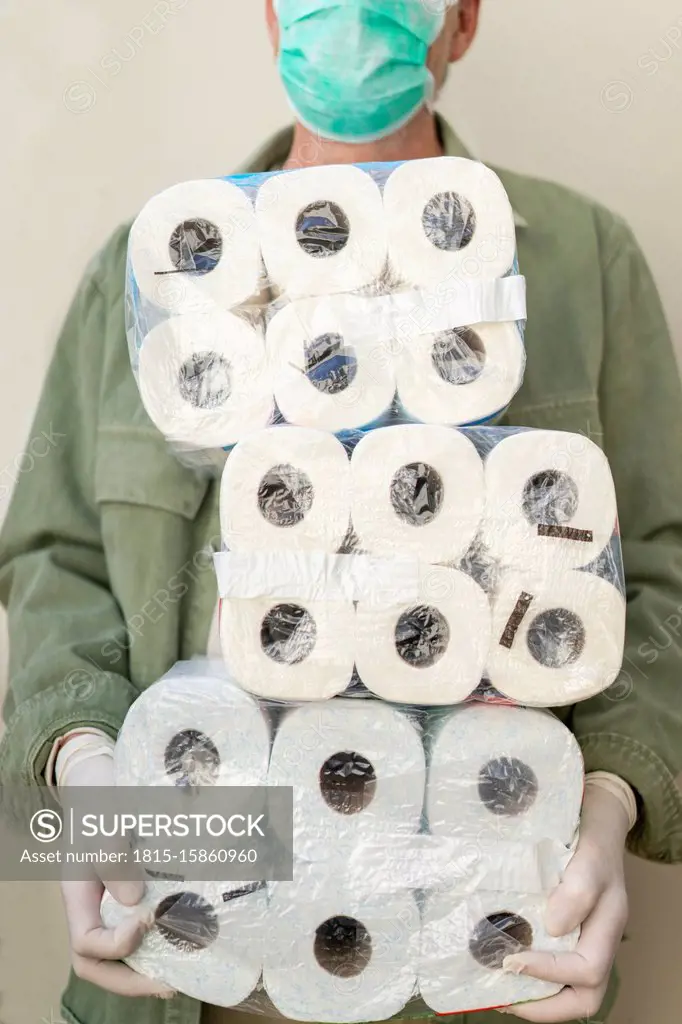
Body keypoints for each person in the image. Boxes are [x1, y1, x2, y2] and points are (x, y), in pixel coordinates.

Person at [1, 1, 681, 1022]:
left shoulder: (580, 258)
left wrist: (610, 799)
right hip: (187, 950)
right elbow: (52, 557)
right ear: (271, 15)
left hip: (481, 950)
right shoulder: (155, 272)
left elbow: (662, 567)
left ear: (463, 18)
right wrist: (85, 794)